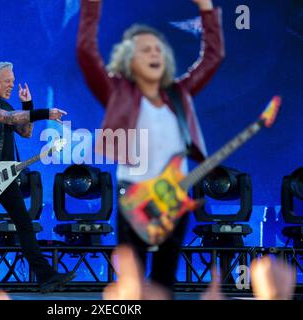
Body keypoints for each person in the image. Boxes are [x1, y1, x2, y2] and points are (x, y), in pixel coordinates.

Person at [77, 0, 225, 296]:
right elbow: (86, 52)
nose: (154, 53)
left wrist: (207, 9)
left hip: (173, 199)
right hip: (134, 197)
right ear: (129, 60)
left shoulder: (180, 93)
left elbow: (213, 57)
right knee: (132, 284)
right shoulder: (117, 91)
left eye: (158, 49)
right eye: (145, 49)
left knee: (163, 283)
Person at [0, 61, 75, 293]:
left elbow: (26, 131)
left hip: (6, 175)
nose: (12, 84)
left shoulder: (6, 104)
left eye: (13, 80)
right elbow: (9, 119)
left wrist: (27, 104)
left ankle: (46, 277)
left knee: (23, 223)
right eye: (8, 81)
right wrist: (44, 113)